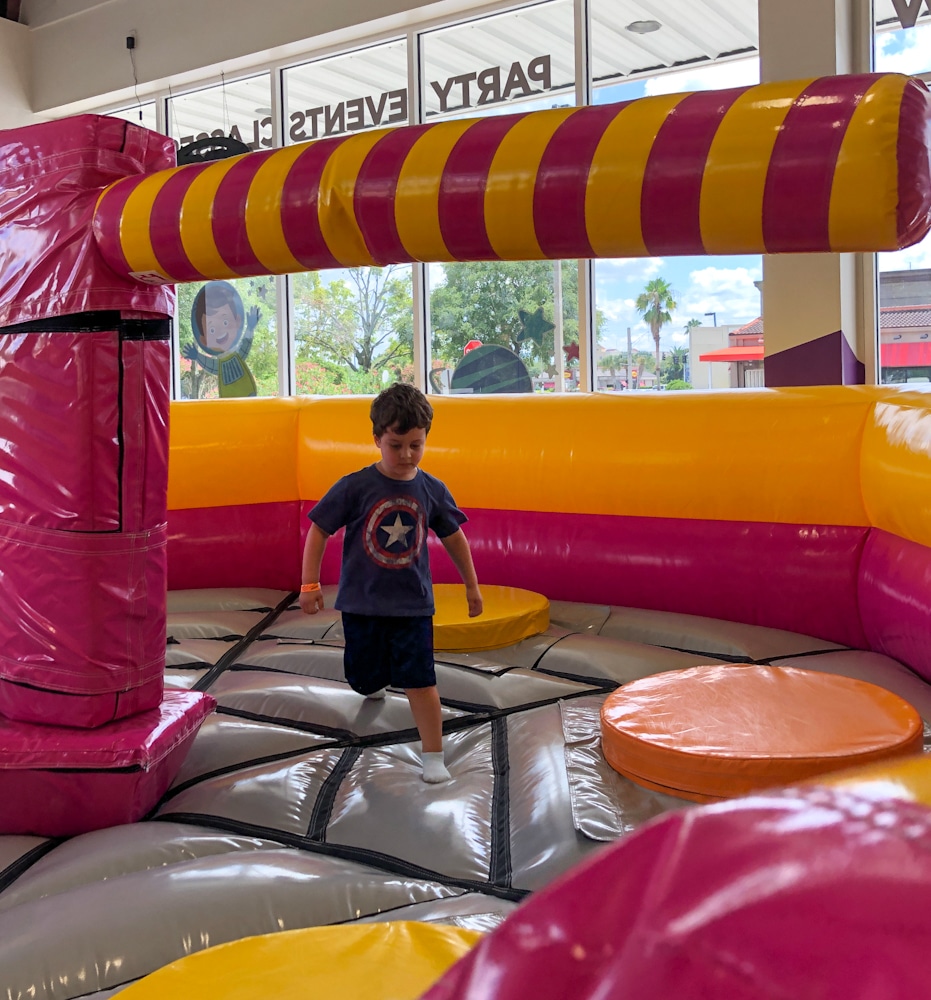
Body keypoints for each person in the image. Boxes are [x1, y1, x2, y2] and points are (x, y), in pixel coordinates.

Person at [299, 383, 483, 783]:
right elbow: (318, 529)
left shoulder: (431, 489)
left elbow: (454, 537)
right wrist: (309, 584)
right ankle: (373, 682)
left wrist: (471, 585)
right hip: (362, 603)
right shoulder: (356, 486)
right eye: (396, 445)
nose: (406, 455)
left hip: (412, 606)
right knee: (363, 677)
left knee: (421, 679)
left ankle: (433, 755)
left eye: (416, 445)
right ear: (377, 439)